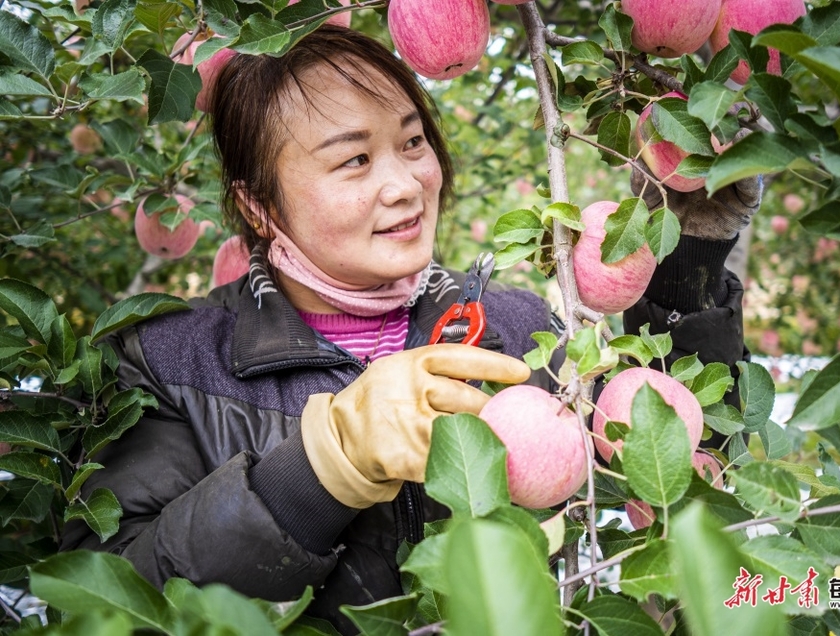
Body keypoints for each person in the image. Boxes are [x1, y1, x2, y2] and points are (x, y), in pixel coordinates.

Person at [60, 25, 761, 635]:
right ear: (259, 204)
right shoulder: (167, 362)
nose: (404, 184)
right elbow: (109, 607)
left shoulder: (517, 329)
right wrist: (316, 471)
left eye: (412, 142)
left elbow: (681, 480)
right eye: (354, 159)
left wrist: (686, 262)